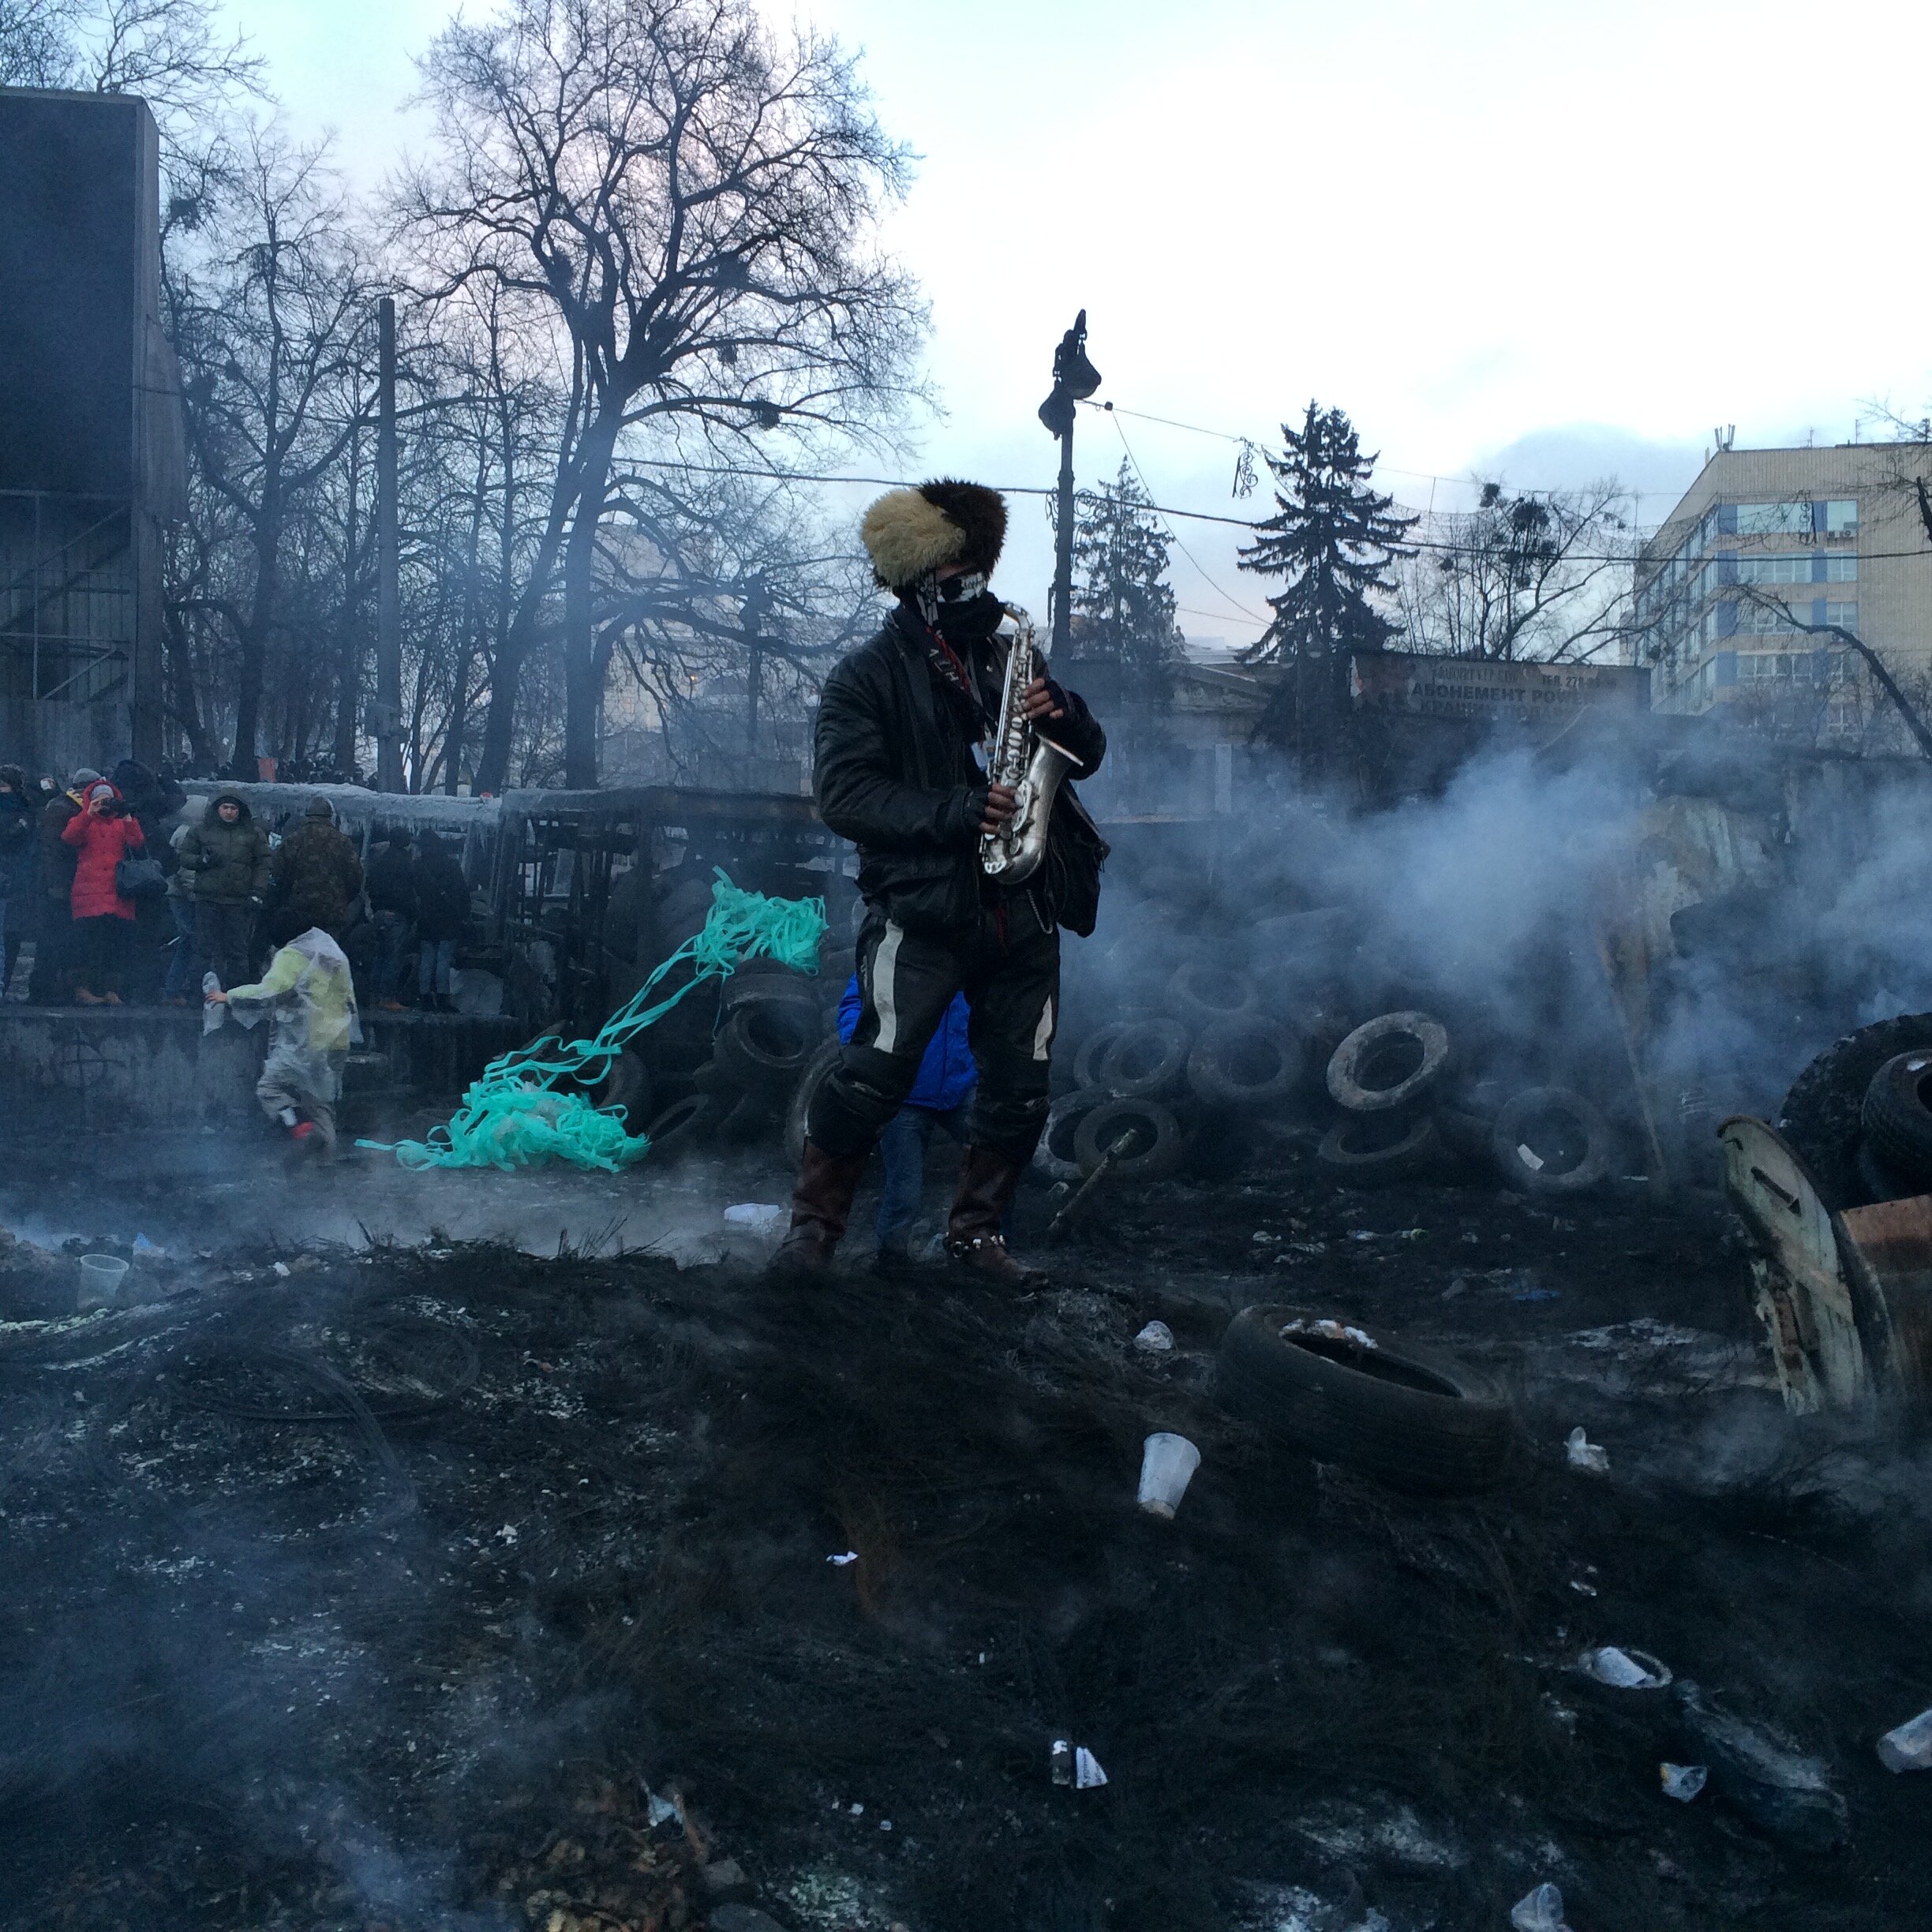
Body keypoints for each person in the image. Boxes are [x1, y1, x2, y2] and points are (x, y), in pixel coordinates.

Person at [773, 478, 1106, 1286]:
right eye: (955, 568)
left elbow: (1085, 755)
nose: (973, 582)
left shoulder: (1008, 649)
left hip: (1022, 901)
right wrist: (960, 811)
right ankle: (812, 1235)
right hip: (922, 908)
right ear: (917, 578)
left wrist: (1063, 716)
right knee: (875, 1071)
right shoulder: (865, 676)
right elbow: (845, 796)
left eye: (976, 564)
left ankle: (976, 1239)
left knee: (1022, 1087)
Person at [837, 976, 978, 1269]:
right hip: (904, 1092)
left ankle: (989, 1250)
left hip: (961, 1085)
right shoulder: (894, 945)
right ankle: (891, 1267)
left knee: (995, 1165)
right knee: (904, 1193)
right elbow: (853, 1003)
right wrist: (865, 1055)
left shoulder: (971, 948)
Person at [206, 927, 359, 1158]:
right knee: (320, 1105)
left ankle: (298, 1124)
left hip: (306, 1041)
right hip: (337, 1041)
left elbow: (270, 990)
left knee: (269, 1089)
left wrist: (230, 996)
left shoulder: (292, 956)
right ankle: (325, 1170)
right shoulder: (333, 953)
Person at [61, 778, 146, 1004]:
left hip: (118, 892)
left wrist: (127, 816)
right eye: (101, 800)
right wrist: (89, 812)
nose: (105, 805)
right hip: (89, 891)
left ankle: (111, 989)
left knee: (114, 944)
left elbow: (137, 842)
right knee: (87, 943)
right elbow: (69, 837)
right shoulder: (83, 820)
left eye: (109, 800)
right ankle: (83, 989)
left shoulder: (121, 822)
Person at [178, 790, 271, 990]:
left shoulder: (253, 834)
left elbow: (263, 863)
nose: (229, 812)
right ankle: (196, 991)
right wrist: (202, 861)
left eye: (233, 808)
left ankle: (237, 992)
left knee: (237, 950)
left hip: (238, 901)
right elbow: (184, 856)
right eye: (225, 807)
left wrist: (257, 892)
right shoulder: (201, 830)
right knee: (203, 949)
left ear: (240, 811)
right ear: (217, 809)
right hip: (207, 898)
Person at [28, 767, 98, 1004]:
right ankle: (43, 990)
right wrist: (56, 885)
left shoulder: (68, 807)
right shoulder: (62, 809)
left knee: (64, 938)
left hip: (68, 883)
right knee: (53, 938)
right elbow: (52, 852)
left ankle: (56, 989)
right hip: (58, 885)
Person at [268, 796, 362, 945]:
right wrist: (342, 900)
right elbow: (355, 878)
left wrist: (289, 897)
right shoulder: (343, 842)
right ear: (330, 816)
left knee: (301, 957)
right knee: (326, 959)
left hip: (299, 911)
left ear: (308, 815)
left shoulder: (293, 840)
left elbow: (278, 874)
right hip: (332, 914)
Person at [410, 830, 469, 1013]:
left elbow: (414, 892)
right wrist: (465, 913)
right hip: (448, 918)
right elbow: (461, 891)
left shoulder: (418, 866)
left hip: (426, 918)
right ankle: (443, 997)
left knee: (427, 958)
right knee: (443, 959)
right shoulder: (451, 865)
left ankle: (425, 996)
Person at [363, 829, 417, 1011]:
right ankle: (388, 998)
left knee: (379, 956)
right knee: (393, 957)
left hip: (379, 913)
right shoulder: (404, 862)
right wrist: (412, 912)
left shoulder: (380, 860)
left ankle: (374, 996)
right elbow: (411, 889)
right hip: (398, 914)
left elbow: (369, 884)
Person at [0, 766, 36, 996]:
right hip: (15, 878)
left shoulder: (25, 813)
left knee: (10, 935)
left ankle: (3, 984)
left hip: (14, 880)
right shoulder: (27, 811)